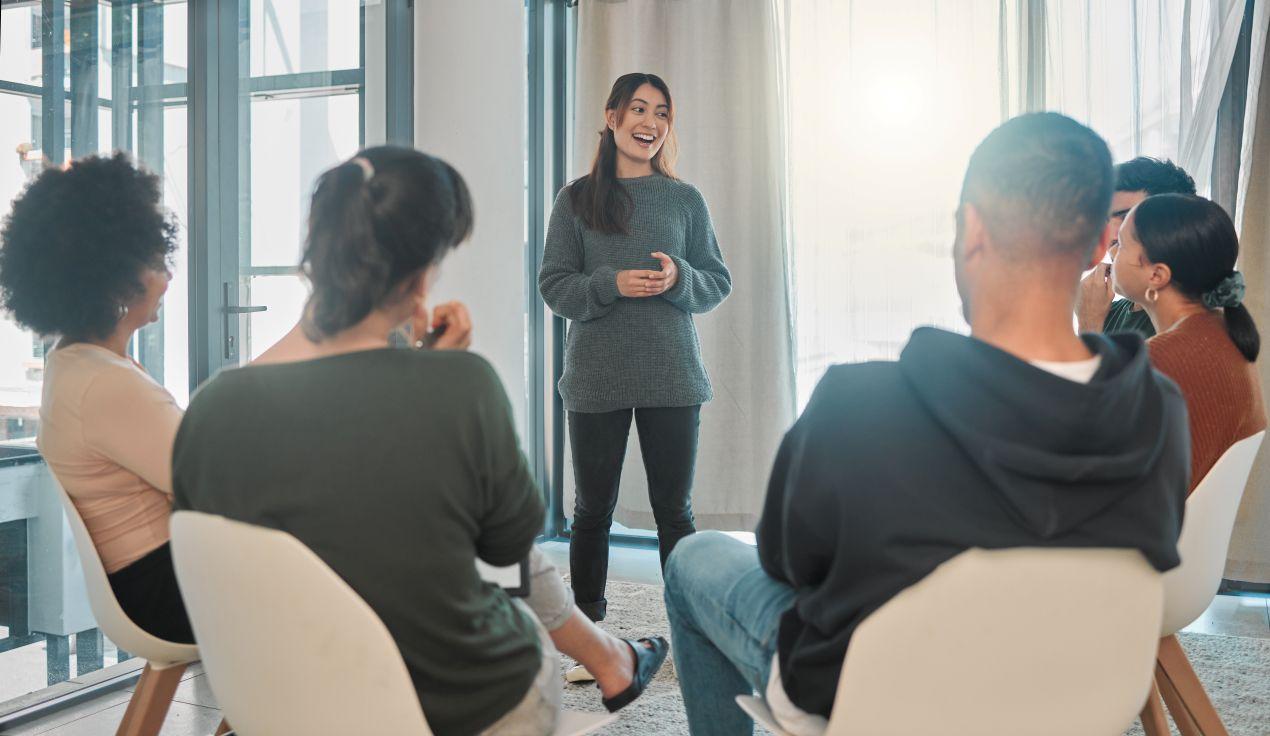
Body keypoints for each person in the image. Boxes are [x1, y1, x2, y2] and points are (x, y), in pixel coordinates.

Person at [662, 113, 1191, 736]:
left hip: (872, 700)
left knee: (693, 557)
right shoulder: (1158, 410)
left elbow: (788, 563)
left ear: (971, 230)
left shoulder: (859, 403)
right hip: (1067, 697)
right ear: (1103, 246)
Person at [173, 147, 666, 736]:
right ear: (422, 275)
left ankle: (611, 657)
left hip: (283, 701)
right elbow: (506, 553)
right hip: (459, 707)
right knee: (522, 619)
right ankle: (611, 659)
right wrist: (443, 380)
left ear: (317, 252)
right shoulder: (462, 387)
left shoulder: (210, 410)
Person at [539, 72, 732, 623]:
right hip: (596, 377)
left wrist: (680, 279)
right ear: (612, 116)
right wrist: (610, 284)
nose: (651, 123)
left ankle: (687, 626)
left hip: (672, 376)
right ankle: (588, 627)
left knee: (675, 512)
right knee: (591, 511)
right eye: (640, 110)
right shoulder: (575, 200)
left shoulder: (684, 199)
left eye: (662, 113)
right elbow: (554, 285)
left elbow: (717, 281)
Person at [0, 154, 194, 644]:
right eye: (154, 263)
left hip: (151, 582)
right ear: (113, 282)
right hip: (171, 592)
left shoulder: (74, 362)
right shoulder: (107, 385)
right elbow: (213, 483)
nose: (167, 278)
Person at [1112, 193, 1266, 490]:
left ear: (1156, 275)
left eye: (1121, 244)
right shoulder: (1224, 331)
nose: (1112, 253)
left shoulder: (1162, 358)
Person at [1077, 157, 1196, 338]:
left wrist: (1089, 325)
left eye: (1127, 217)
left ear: (1174, 226)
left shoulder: (1189, 325)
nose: (1110, 235)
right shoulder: (1106, 312)